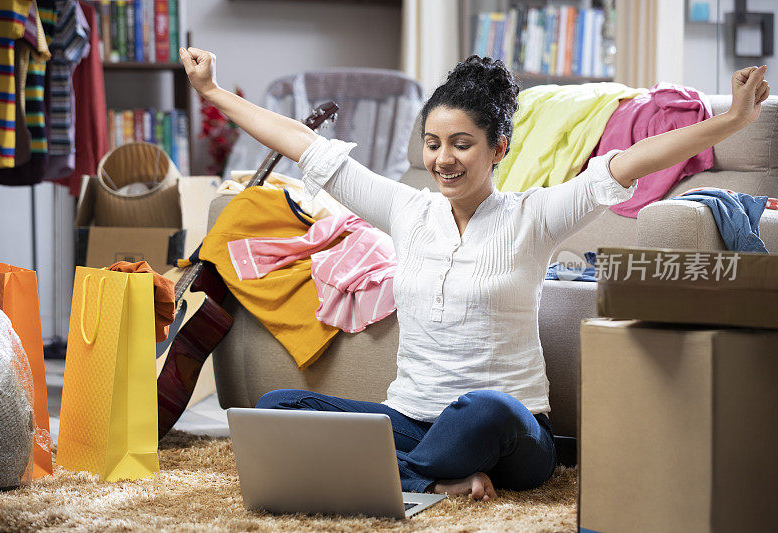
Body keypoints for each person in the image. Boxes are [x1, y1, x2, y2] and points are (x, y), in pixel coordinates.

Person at [180, 47, 770, 500]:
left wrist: (734, 119)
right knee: (279, 406)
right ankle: (433, 481)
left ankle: (393, 478)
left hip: (512, 438)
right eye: (434, 143)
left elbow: (633, 161)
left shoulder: (534, 216)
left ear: (498, 148)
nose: (443, 159)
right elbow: (304, 144)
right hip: (412, 421)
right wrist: (211, 91)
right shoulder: (407, 211)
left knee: (487, 407)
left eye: (462, 143)